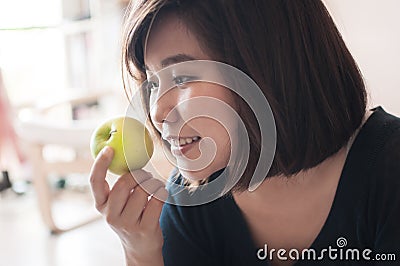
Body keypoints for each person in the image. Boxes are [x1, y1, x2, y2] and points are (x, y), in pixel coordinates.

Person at [89, 0, 400, 265]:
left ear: (268, 67)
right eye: (154, 83)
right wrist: (141, 252)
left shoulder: (389, 172)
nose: (156, 112)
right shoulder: (192, 200)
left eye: (182, 77)